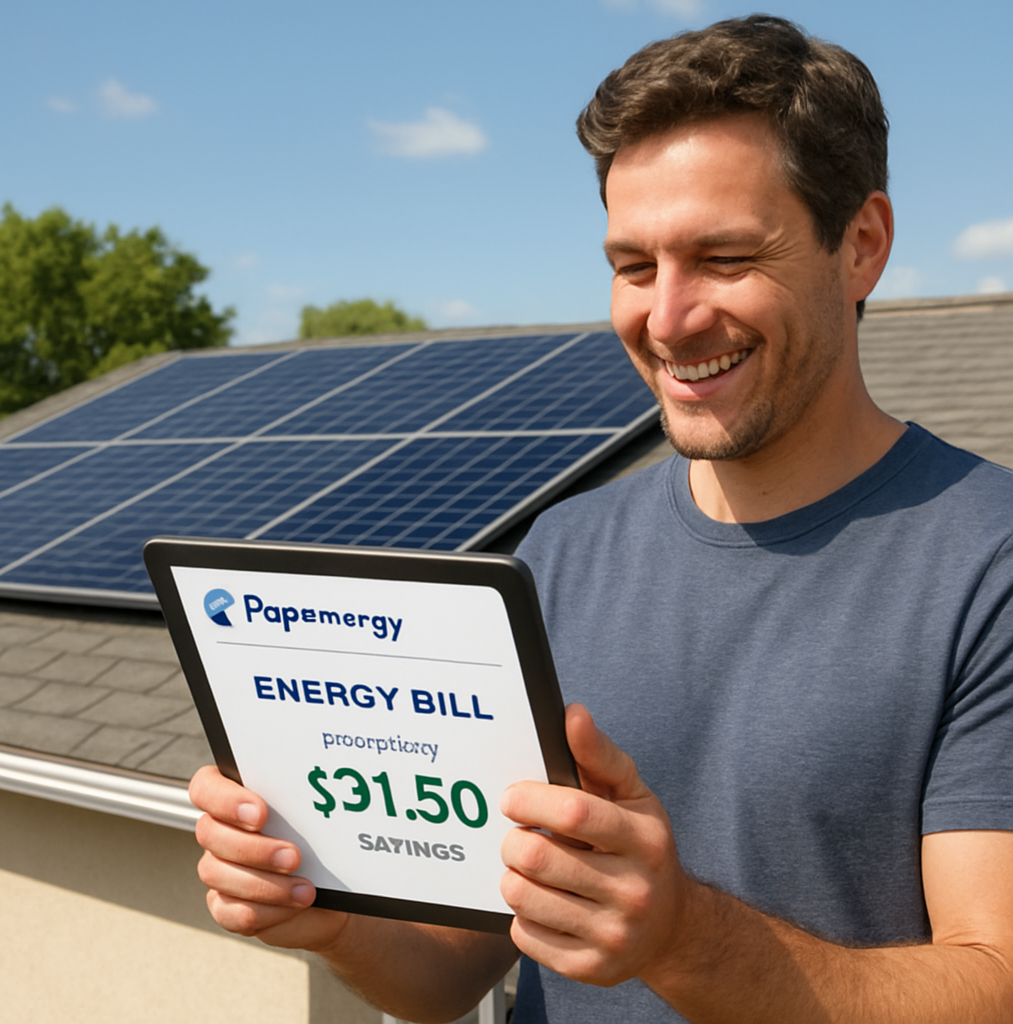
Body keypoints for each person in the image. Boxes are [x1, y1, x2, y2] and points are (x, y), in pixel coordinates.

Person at [189, 15, 1013, 1022]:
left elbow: (994, 981)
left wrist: (681, 939)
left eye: (722, 255)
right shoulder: (559, 552)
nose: (666, 318)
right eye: (633, 267)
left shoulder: (987, 565)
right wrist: (326, 913)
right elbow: (454, 966)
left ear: (862, 246)